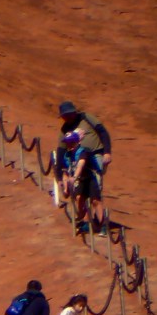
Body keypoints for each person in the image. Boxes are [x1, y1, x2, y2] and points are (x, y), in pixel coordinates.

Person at [55, 101, 112, 235]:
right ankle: (86, 222)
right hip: (75, 161)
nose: (68, 117)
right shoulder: (64, 130)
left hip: (94, 157)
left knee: (95, 196)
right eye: (65, 116)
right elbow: (60, 154)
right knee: (79, 196)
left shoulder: (86, 118)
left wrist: (107, 152)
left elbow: (102, 132)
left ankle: (101, 223)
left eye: (69, 114)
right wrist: (60, 177)